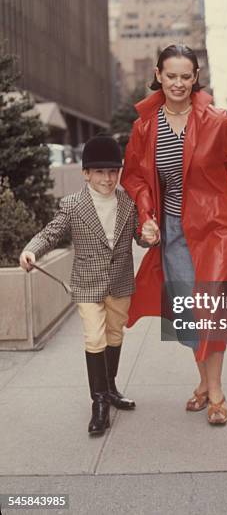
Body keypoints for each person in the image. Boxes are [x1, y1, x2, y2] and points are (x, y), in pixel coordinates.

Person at [121, 44, 227, 425]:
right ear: (158, 75)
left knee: (211, 309)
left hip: (215, 229)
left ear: (196, 77)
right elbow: (136, 176)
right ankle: (203, 384)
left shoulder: (217, 121)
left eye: (187, 76)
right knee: (187, 311)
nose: (179, 83)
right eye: (171, 75)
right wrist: (146, 214)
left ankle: (216, 393)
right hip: (173, 233)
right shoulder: (144, 127)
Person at [20, 135, 137, 437]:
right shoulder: (72, 205)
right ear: (85, 173)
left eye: (113, 171)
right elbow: (50, 233)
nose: (107, 178)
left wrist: (150, 234)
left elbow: (141, 236)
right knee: (94, 336)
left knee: (114, 333)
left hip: (120, 281)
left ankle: (110, 388)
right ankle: (98, 404)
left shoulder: (129, 202)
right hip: (87, 284)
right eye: (99, 171)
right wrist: (32, 249)